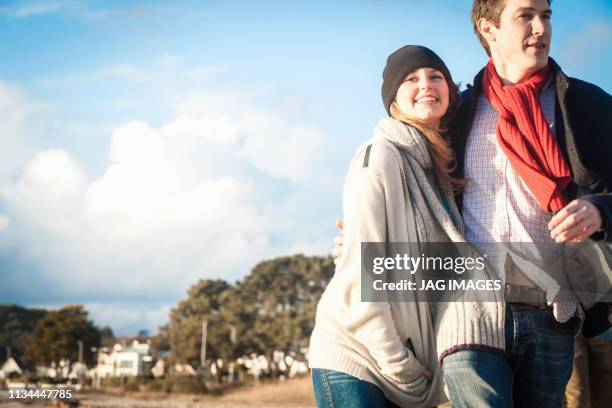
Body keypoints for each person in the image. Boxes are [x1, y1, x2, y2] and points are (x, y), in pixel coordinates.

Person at [333, 0, 612, 407]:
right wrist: (359, 242)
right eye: (526, 16)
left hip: (555, 311)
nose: (541, 28)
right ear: (488, 29)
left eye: (546, 16)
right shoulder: (455, 115)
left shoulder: (586, 104)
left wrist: (599, 210)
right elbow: (401, 190)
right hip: (469, 313)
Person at [309, 45, 465, 408]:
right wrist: (400, 364)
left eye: (435, 76)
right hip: (357, 358)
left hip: (408, 368)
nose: (426, 84)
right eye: (411, 79)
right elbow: (362, 278)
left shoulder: (439, 173)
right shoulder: (379, 157)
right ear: (393, 100)